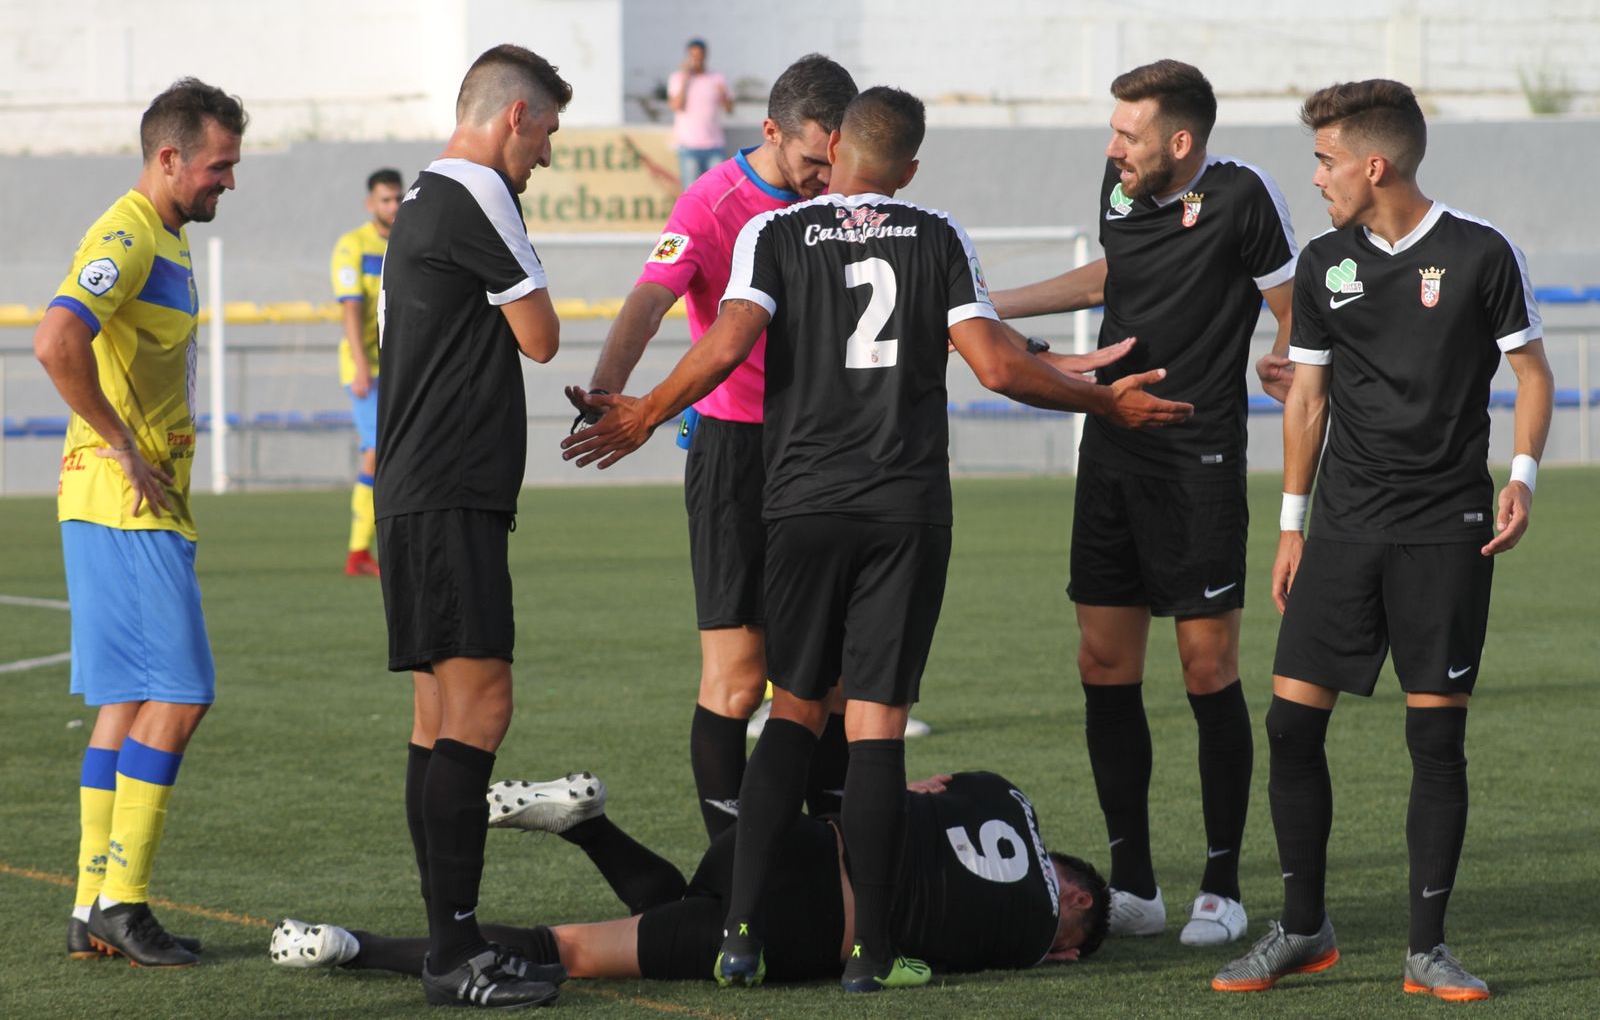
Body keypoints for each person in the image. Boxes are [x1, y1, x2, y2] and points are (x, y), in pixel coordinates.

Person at [562, 86, 1190, 992]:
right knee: (877, 732)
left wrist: (649, 412)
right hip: (903, 510)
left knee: (793, 710)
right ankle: (873, 951)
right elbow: (998, 365)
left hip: (802, 502)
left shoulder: (775, 234)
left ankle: (739, 931)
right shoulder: (938, 232)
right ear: (910, 168)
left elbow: (730, 339)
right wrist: (1106, 401)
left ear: (840, 149)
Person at [1212, 79, 1552, 1002]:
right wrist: (1291, 523)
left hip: (1448, 528)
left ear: (1376, 163)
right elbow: (1308, 398)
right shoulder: (1323, 261)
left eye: (1325, 160)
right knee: (1289, 725)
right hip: (1344, 525)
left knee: (1435, 741)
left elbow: (1532, 374)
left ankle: (1427, 948)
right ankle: (1304, 927)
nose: (1315, 177)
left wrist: (1521, 475)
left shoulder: (1482, 253)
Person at [991, 59, 1298, 947]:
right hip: (1112, 449)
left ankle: (1222, 884)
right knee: (1102, 662)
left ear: (1181, 142)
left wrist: (1285, 357)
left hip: (1196, 460)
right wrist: (987, 303)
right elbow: (1109, 276)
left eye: (1128, 134)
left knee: (1207, 669)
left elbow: (1291, 305)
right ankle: (1134, 883)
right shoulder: (1120, 186)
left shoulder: (1242, 197)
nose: (1111, 147)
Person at [569, 53, 860, 844]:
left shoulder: (847, 199)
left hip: (828, 452)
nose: (822, 179)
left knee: (827, 680)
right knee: (737, 678)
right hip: (737, 453)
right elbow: (647, 301)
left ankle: (829, 858)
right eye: (809, 161)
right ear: (770, 131)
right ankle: (734, 872)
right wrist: (607, 386)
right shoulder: (712, 202)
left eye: (835, 161)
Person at [33, 78, 247, 968]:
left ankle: (90, 902)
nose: (228, 182)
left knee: (127, 698)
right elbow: (56, 339)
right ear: (169, 158)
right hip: (126, 507)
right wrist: (124, 445)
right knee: (182, 695)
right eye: (218, 165)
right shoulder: (124, 231)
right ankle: (125, 898)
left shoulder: (165, 235)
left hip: (109, 504)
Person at [374, 43, 569, 1010]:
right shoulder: (477, 191)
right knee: (483, 709)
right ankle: (455, 951)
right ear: (516, 114)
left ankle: (446, 937)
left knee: (437, 718)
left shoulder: (417, 196)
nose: (546, 155)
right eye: (547, 135)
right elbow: (542, 335)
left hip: (415, 488)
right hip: (450, 488)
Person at [271, 769, 1110, 984]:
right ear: (1074, 901)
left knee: (685, 910)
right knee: (567, 949)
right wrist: (1047, 945)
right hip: (812, 921)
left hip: (775, 849)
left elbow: (910, 784)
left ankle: (592, 826)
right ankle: (353, 946)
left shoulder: (1004, 792)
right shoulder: (1036, 933)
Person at [329, 167, 402, 577]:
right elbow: (351, 309)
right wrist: (361, 366)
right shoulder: (352, 246)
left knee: (380, 453)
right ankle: (358, 551)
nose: (392, 206)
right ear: (370, 204)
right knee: (377, 451)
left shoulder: (407, 241)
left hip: (397, 367)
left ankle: (364, 550)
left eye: (396, 198)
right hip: (365, 370)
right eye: (385, 200)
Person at [668, 38, 733, 188]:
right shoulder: (677, 78)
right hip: (688, 146)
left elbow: (729, 110)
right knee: (692, 192)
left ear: (705, 56)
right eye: (693, 56)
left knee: (717, 190)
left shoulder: (717, 78)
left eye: (700, 56)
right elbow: (676, 106)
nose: (696, 60)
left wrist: (724, 96)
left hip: (714, 145)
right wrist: (685, 79)